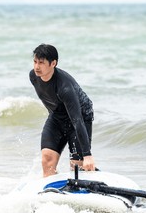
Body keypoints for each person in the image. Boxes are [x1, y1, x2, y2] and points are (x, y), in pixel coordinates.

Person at [29, 44, 96, 177]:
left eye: (41, 63)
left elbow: (77, 120)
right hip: (57, 116)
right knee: (47, 159)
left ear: (53, 63)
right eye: (35, 62)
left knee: (77, 167)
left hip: (80, 116)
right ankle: (51, 193)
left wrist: (87, 154)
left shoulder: (64, 87)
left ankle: (91, 174)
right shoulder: (33, 77)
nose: (37, 67)